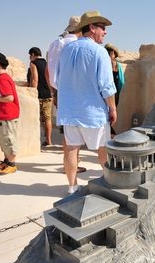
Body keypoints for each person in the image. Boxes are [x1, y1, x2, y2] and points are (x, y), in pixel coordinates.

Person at [55, 10, 117, 194]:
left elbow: (57, 79)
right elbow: (106, 86)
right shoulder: (99, 52)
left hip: (69, 111)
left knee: (72, 150)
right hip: (93, 112)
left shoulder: (66, 50)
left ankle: (72, 187)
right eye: (102, 28)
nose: (105, 32)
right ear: (92, 27)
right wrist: (112, 108)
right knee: (103, 150)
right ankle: (109, 185)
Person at [45, 16, 87, 174]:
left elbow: (48, 72)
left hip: (60, 91)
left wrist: (53, 91)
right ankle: (72, 165)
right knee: (75, 132)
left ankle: (69, 164)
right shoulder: (75, 45)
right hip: (74, 91)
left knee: (67, 130)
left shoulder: (55, 43)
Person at [27, 47, 53, 146]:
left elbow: (35, 79)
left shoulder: (33, 64)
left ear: (33, 54)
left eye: (30, 55)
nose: (30, 58)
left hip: (38, 95)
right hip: (48, 94)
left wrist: (32, 93)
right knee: (48, 118)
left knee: (35, 118)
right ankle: (49, 140)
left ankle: (34, 141)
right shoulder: (47, 63)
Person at [104, 43, 124, 136]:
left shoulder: (104, 64)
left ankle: (110, 134)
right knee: (111, 115)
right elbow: (121, 81)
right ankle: (111, 134)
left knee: (106, 114)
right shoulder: (118, 65)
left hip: (104, 93)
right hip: (114, 94)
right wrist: (118, 91)